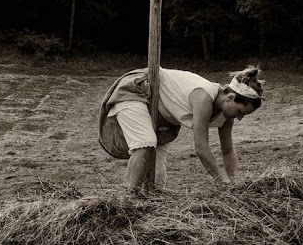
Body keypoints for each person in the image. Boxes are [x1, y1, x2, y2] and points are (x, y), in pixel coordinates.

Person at [99, 65, 264, 191]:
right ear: (230, 97)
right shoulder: (203, 96)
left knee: (156, 182)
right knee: (145, 144)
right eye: (240, 112)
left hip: (163, 118)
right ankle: (127, 202)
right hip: (140, 92)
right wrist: (223, 182)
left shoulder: (227, 114)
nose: (240, 118)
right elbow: (201, 148)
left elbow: (227, 150)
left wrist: (236, 184)